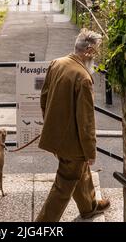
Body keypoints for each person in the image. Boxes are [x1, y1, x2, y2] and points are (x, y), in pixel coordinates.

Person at [35, 29, 110, 222]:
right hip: (72, 144)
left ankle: (89, 207)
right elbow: (86, 122)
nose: (96, 57)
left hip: (55, 137)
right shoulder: (83, 78)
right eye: (96, 52)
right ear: (88, 51)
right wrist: (90, 152)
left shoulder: (57, 63)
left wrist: (51, 125)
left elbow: (43, 98)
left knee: (80, 172)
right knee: (64, 185)